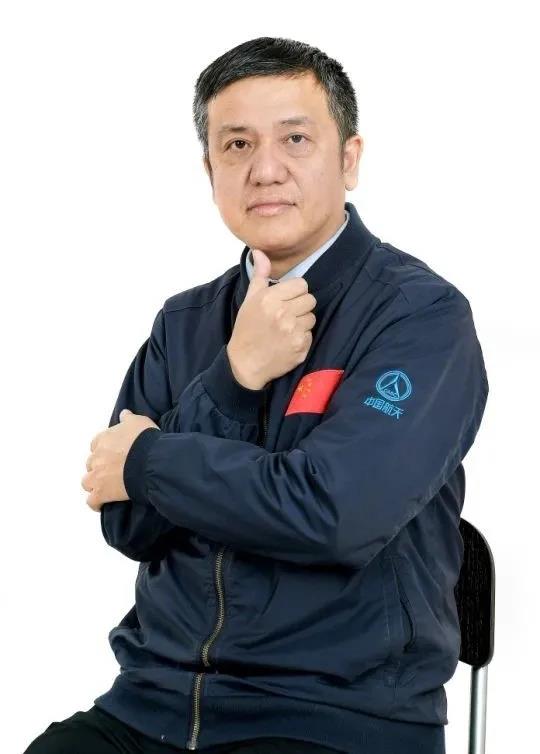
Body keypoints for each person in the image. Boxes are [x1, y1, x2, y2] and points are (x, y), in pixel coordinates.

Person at [24, 36, 489, 754]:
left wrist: (147, 461)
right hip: (154, 702)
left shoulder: (419, 318)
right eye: (237, 145)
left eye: (295, 139)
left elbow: (335, 514)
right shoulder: (184, 322)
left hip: (336, 718)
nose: (265, 169)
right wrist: (233, 377)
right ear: (210, 170)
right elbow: (128, 525)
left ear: (349, 159)